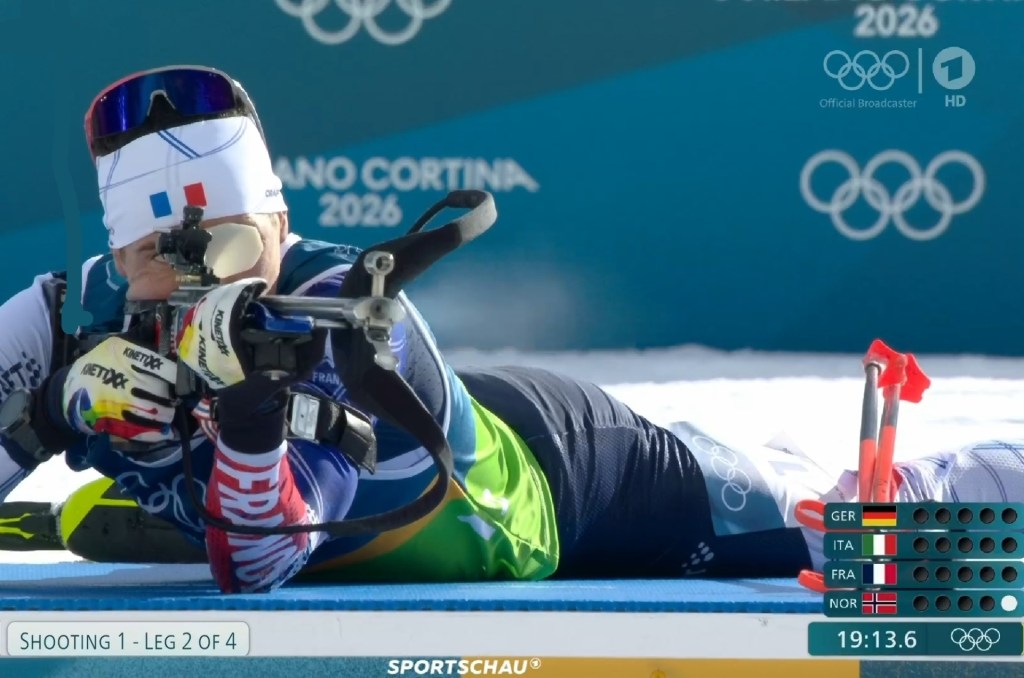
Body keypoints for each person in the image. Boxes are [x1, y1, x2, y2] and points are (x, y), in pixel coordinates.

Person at [1, 66, 1021, 594]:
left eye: (225, 247)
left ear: (277, 225)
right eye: (162, 257)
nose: (193, 283)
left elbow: (257, 567)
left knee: (851, 533)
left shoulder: (351, 325)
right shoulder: (64, 313)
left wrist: (251, 424)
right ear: (116, 253)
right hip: (395, 522)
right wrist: (44, 408)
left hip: (565, 485)